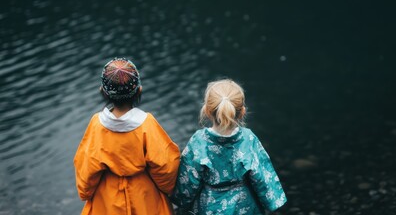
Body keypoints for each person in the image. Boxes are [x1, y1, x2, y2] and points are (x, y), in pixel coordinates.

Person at [74, 58, 180, 215]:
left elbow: (87, 169)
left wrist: (85, 192)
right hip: (144, 197)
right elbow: (165, 166)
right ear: (139, 90)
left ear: (103, 91)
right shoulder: (146, 123)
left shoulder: (97, 124)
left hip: (107, 200)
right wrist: (167, 189)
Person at [171, 79, 287, 214]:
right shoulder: (248, 139)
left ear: (207, 111)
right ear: (242, 111)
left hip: (210, 206)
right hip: (245, 206)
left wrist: (181, 202)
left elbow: (188, 180)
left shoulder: (199, 141)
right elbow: (263, 175)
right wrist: (272, 202)